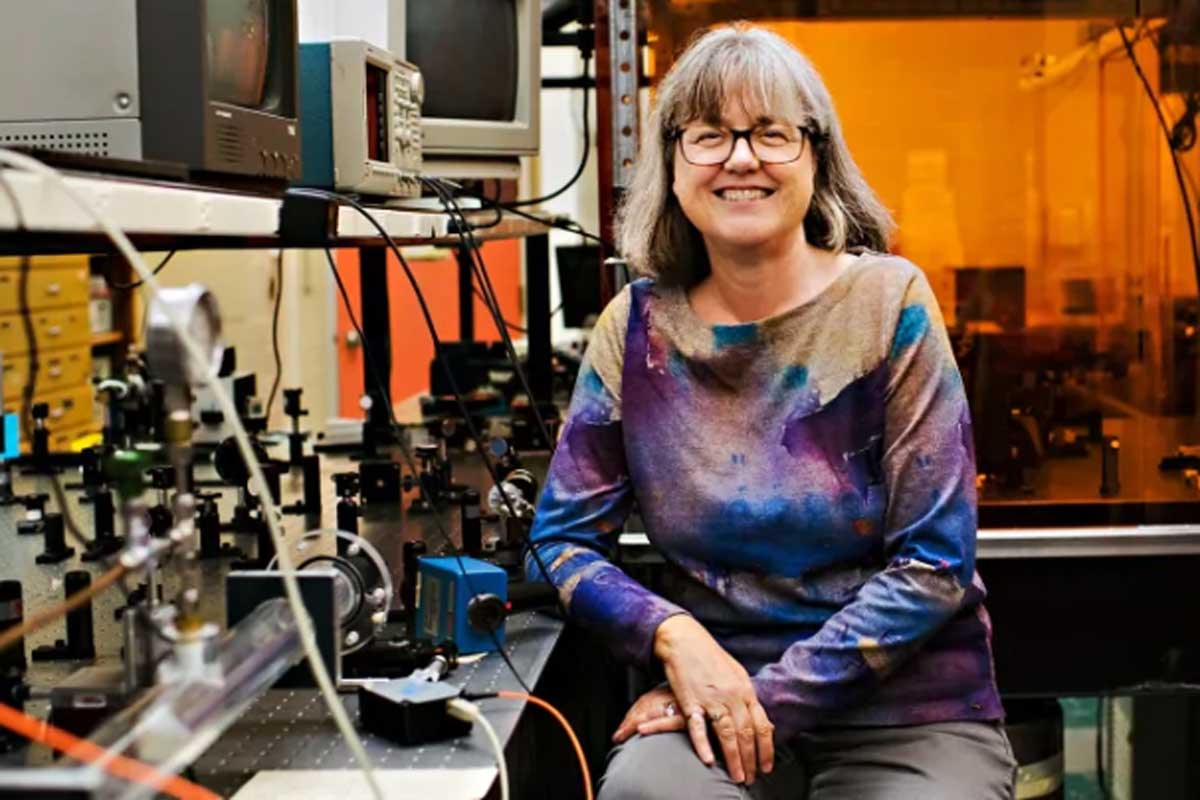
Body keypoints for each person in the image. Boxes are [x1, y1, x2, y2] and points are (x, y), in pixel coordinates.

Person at [526, 23, 1016, 800]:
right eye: (710, 135)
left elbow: (935, 565)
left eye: (770, 134)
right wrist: (673, 635)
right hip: (709, 695)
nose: (741, 157)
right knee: (644, 794)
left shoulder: (890, 305)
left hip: (906, 708)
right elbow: (558, 542)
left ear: (815, 157)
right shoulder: (636, 329)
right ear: (674, 164)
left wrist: (759, 701)